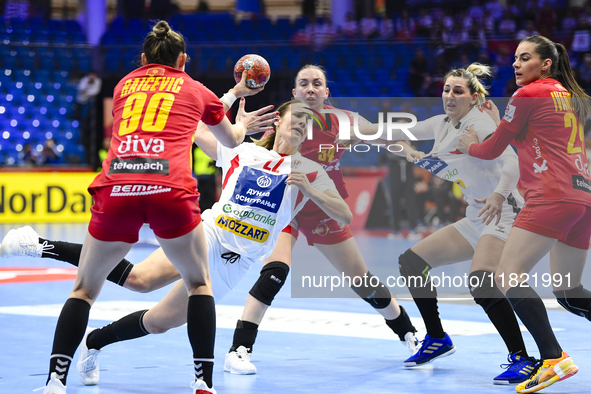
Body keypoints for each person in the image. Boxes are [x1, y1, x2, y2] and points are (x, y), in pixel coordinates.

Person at [2, 100, 353, 388]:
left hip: (236, 263)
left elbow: (344, 214)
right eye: (297, 120)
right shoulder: (242, 151)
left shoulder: (309, 170)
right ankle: (39, 244)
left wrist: (309, 190)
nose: (301, 129)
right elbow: (196, 129)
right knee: (140, 279)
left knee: (158, 323)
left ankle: (96, 340)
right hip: (207, 236)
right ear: (279, 121)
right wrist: (230, 116)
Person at [36, 21, 267, 394]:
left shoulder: (123, 85)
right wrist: (239, 123)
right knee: (198, 284)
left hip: (118, 187)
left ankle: (54, 382)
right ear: (184, 60)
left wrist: (228, 94)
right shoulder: (194, 88)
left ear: (143, 59)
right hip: (169, 190)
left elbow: (178, 109)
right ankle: (203, 382)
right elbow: (230, 138)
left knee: (83, 290)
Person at [222, 65, 420, 375]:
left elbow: (379, 134)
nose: (311, 89)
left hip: (322, 206)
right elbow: (251, 151)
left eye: (317, 84)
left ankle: (408, 332)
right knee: (275, 271)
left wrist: (405, 147)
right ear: (295, 93)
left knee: (361, 281)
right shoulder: (287, 123)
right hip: (285, 205)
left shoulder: (343, 122)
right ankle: (239, 349)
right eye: (304, 84)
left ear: (326, 93)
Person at [355, 63, 536, 385]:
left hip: (504, 211)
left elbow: (512, 161)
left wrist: (498, 194)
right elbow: (395, 133)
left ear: (472, 97)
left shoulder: (479, 123)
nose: (450, 96)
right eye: (446, 90)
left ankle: (522, 358)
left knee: (482, 282)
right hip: (476, 216)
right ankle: (437, 338)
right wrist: (350, 129)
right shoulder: (440, 123)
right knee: (412, 262)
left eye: (458, 91)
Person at [458, 35, 591, 393]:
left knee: (507, 276)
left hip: (551, 197)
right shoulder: (574, 99)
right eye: (515, 58)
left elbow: (492, 149)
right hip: (583, 198)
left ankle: (553, 358)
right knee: (568, 291)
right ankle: (552, 357)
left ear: (546, 63)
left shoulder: (528, 94)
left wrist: (467, 143)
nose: (516, 64)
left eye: (525, 57)